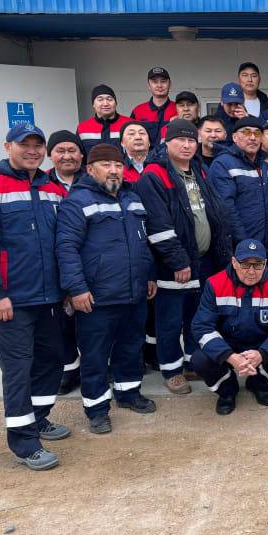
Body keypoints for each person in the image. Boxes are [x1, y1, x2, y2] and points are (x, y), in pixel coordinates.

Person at [0, 122, 70, 471]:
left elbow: (64, 242)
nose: (33, 151)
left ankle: (38, 417)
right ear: (8, 146)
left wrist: (68, 289)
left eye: (38, 145)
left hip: (50, 298)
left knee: (52, 360)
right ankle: (24, 443)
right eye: (25, 145)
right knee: (18, 370)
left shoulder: (52, 188)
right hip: (11, 301)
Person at [55, 144, 158, 434]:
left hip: (134, 293)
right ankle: (97, 409)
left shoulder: (132, 198)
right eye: (106, 165)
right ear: (90, 169)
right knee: (95, 355)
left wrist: (149, 275)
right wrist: (77, 289)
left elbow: (144, 242)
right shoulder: (77, 202)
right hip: (96, 297)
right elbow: (66, 248)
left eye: (118, 165)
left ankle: (129, 393)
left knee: (131, 347)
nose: (114, 170)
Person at [137, 119, 232, 395]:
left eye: (191, 140)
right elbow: (158, 226)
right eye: (180, 140)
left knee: (196, 316)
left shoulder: (199, 170)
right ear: (167, 142)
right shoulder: (154, 176)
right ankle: (171, 370)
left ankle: (191, 362)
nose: (187, 145)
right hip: (174, 265)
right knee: (170, 320)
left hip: (203, 260)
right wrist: (179, 261)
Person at [190, 239, 268, 415]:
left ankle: (259, 384)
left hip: (261, 344)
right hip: (227, 344)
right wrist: (230, 356)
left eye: (257, 264)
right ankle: (227, 390)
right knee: (199, 359)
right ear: (234, 263)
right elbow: (202, 327)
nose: (251, 271)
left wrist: (262, 353)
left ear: (265, 263)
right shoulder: (215, 283)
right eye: (245, 264)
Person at [45, 130, 85, 394]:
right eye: (61, 151)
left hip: (90, 263)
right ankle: (69, 371)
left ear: (81, 154)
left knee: (92, 323)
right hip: (54, 264)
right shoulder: (41, 184)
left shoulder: (93, 180)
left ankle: (98, 367)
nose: (67, 156)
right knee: (61, 323)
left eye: (72, 150)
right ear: (51, 155)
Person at [208, 116, 268, 252]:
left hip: (265, 246)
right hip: (239, 246)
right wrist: (245, 243)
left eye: (257, 133)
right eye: (246, 132)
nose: (252, 137)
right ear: (234, 137)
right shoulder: (223, 164)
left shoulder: (266, 167)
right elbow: (226, 209)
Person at [129, 66, 177, 147]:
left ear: (170, 84)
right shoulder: (138, 111)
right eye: (155, 82)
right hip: (145, 155)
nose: (159, 85)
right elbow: (130, 138)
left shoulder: (178, 110)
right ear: (148, 85)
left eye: (163, 81)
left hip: (171, 155)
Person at [77, 84, 133, 152]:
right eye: (100, 100)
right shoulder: (82, 128)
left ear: (116, 103)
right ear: (93, 104)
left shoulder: (130, 124)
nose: (105, 103)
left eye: (109, 99)